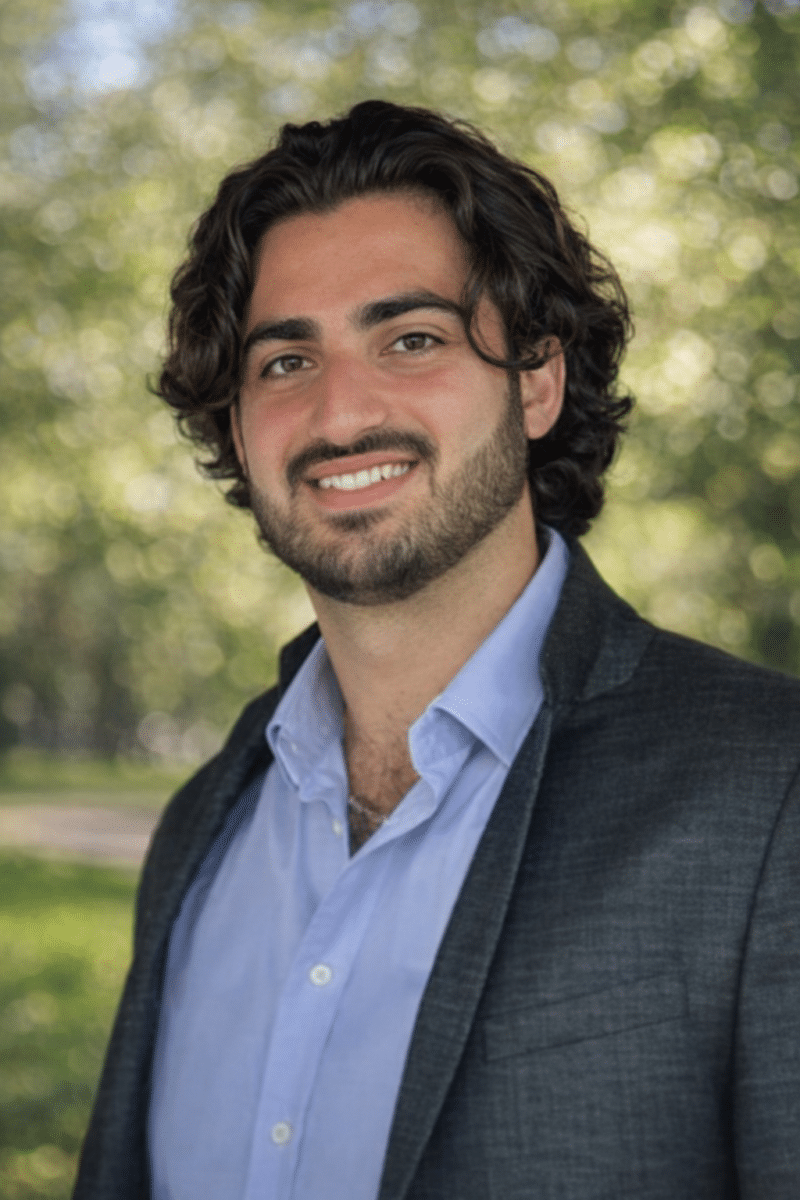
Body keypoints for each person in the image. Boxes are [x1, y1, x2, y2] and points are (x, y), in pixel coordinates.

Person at [73, 100, 799, 1200]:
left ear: (537, 379)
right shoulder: (202, 829)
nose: (339, 414)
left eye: (410, 340)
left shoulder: (767, 791)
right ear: (236, 426)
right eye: (285, 361)